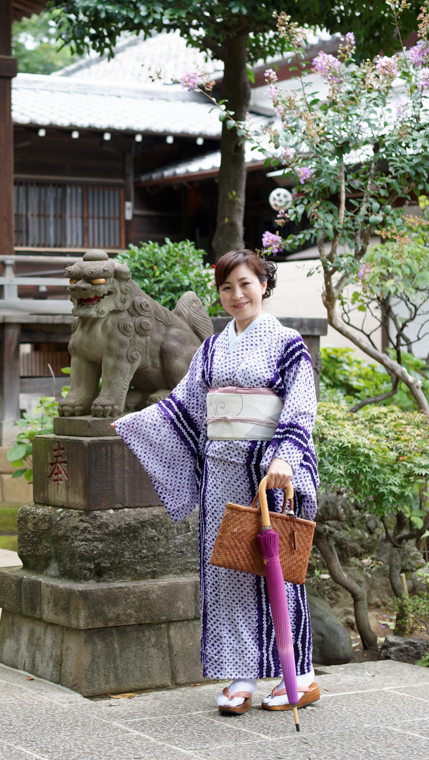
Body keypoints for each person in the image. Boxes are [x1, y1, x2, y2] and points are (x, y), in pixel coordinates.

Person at [113, 249, 320, 715]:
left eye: (245, 284)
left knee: (276, 571)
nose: (236, 295)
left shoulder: (287, 344)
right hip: (221, 472)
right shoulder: (212, 347)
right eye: (226, 288)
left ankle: (300, 676)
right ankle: (241, 675)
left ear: (264, 284)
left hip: (269, 472)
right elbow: (185, 406)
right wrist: (136, 423)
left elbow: (301, 408)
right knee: (226, 572)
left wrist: (285, 456)